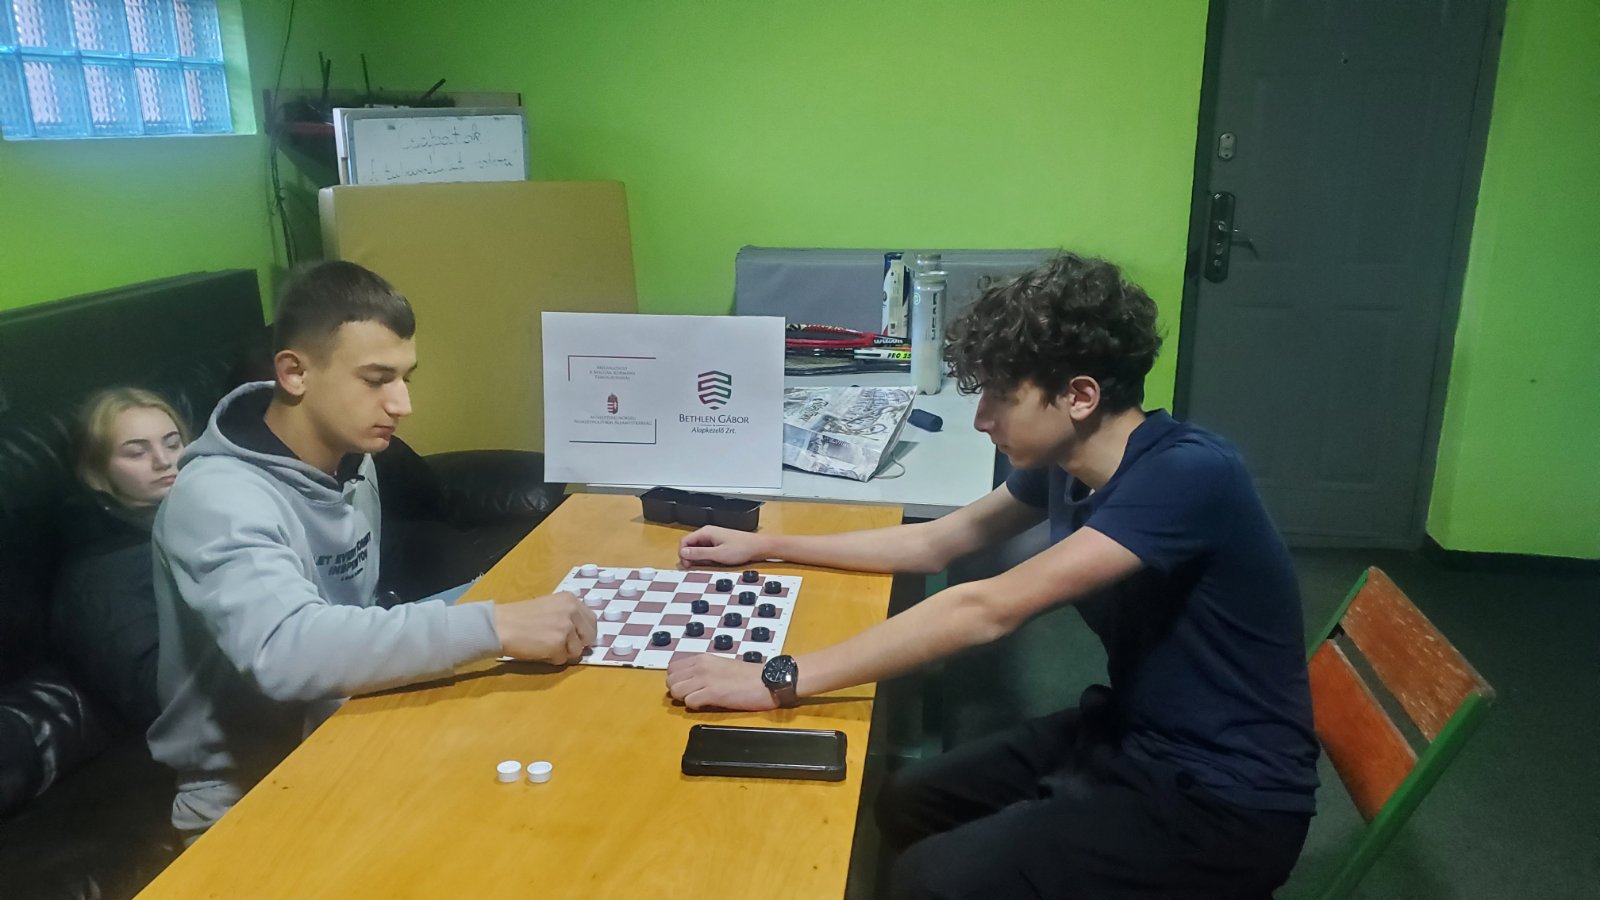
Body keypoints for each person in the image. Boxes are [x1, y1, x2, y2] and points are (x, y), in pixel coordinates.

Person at [666, 254, 1319, 899]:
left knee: (926, 881)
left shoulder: (1188, 475)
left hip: (1225, 798)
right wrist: (771, 544)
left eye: (1001, 397)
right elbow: (934, 542)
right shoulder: (1067, 462)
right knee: (904, 801)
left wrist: (778, 678)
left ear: (1080, 396)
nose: (981, 419)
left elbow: (986, 608)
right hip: (1134, 733)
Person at [147, 260, 596, 838]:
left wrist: (510, 604)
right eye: (376, 379)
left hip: (350, 731)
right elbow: (286, 650)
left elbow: (352, 619)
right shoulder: (215, 498)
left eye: (406, 377)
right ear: (295, 372)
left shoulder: (355, 461)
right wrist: (496, 625)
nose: (402, 404)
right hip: (249, 795)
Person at [51, 388, 189, 728]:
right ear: (96, 469)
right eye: (136, 452)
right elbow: (159, 697)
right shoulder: (101, 573)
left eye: (173, 444)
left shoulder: (200, 515)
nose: (163, 460)